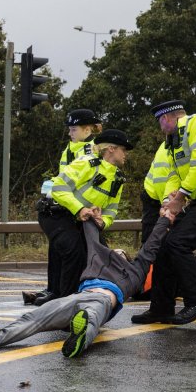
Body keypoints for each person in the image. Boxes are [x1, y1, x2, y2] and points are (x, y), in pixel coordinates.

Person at [0, 210, 174, 359]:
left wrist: (164, 220)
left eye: (121, 253)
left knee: (91, 319)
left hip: (102, 299)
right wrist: (91, 212)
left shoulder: (134, 272)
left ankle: (78, 342)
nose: (115, 252)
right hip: (75, 297)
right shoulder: (97, 258)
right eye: (113, 251)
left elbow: (150, 248)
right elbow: (91, 235)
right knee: (34, 317)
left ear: (127, 259)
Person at [133, 100, 196, 325]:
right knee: (165, 247)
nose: (159, 127)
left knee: (178, 242)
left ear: (167, 118)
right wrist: (169, 201)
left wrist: (181, 197)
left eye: (159, 122)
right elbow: (173, 175)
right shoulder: (174, 140)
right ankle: (160, 308)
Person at [31, 128, 130, 305]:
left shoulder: (118, 179)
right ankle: (64, 304)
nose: (126, 155)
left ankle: (75, 297)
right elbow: (59, 187)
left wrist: (102, 221)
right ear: (111, 149)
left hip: (81, 220)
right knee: (74, 250)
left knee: (100, 257)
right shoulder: (87, 163)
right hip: (55, 214)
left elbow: (111, 210)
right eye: (124, 149)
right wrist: (80, 209)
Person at [24, 109, 102, 306]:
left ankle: (61, 293)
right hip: (65, 205)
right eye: (69, 129)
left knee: (72, 253)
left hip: (79, 210)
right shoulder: (70, 148)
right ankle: (53, 288)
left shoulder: (91, 151)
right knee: (57, 250)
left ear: (87, 130)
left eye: (73, 129)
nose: (70, 133)